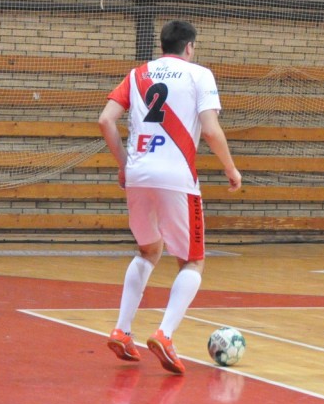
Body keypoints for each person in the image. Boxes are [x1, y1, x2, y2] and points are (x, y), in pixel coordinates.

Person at [99, 20, 242, 374]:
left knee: (148, 250)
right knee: (192, 261)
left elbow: (105, 120)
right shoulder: (199, 75)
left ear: (163, 45)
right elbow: (210, 129)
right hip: (177, 177)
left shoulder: (137, 75)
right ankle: (164, 334)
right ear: (190, 47)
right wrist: (230, 168)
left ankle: (122, 329)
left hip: (138, 173)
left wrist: (124, 165)